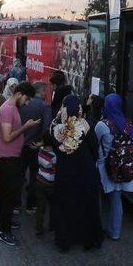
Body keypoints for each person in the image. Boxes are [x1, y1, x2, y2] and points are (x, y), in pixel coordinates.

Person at [50, 94, 103, 252]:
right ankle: (89, 240)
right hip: (85, 171)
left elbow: (56, 149)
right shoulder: (85, 125)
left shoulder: (55, 126)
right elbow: (95, 149)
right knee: (87, 205)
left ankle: (64, 241)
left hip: (65, 172)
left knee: (65, 206)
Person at [0, 82, 38, 246]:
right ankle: (3, 231)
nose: (26, 103)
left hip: (10, 156)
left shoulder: (12, 108)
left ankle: (4, 221)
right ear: (19, 94)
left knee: (8, 193)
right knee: (7, 194)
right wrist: (25, 127)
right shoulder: (7, 110)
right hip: (7, 158)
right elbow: (6, 137)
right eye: (26, 99)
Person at [94, 93, 133, 241]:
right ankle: (115, 232)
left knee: (97, 199)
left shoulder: (103, 125)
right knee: (116, 199)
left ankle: (96, 229)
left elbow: (94, 144)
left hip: (103, 167)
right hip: (122, 167)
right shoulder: (129, 124)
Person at [18, 82, 52, 214]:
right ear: (42, 92)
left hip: (20, 144)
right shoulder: (45, 107)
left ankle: (16, 204)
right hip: (35, 147)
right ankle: (30, 205)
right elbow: (46, 129)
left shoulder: (22, 103)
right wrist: (42, 143)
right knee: (34, 177)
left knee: (19, 175)